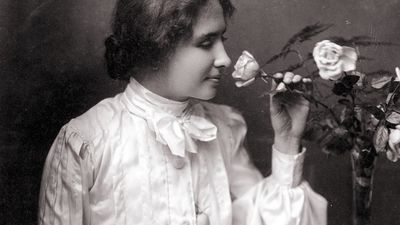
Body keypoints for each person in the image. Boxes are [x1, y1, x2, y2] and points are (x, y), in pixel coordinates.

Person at [38, 0, 327, 224]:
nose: (225, 59)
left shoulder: (223, 127)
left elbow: (262, 219)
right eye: (205, 43)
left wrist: (287, 142)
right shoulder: (86, 142)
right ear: (157, 44)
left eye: (221, 40)